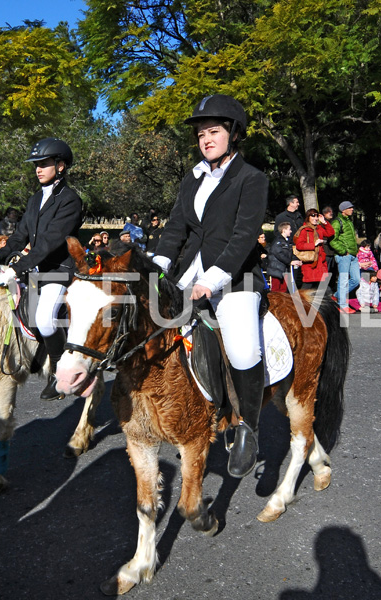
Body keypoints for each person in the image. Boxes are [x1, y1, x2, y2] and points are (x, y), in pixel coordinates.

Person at [152, 94, 268, 478]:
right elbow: (175, 229)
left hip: (235, 278)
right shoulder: (192, 178)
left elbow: (244, 236)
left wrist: (212, 280)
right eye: (201, 134)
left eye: (213, 131)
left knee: (239, 347)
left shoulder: (252, 179)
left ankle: (248, 427)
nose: (205, 139)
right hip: (189, 273)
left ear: (234, 134)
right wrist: (157, 266)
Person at [0, 137, 83, 400]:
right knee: (16, 312)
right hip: (35, 270)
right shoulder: (35, 199)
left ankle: (57, 372)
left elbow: (48, 242)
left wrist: (18, 267)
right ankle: (35, 354)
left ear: (61, 166)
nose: (38, 169)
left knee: (44, 318)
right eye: (36, 165)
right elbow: (21, 236)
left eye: (44, 164)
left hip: (58, 270)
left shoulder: (70, 200)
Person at [329, 201, 360, 313]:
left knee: (356, 279)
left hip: (352, 255)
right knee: (343, 280)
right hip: (344, 256)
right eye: (349, 208)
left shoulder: (349, 221)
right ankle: (342, 305)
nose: (352, 209)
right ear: (343, 210)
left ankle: (337, 295)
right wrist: (343, 251)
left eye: (352, 207)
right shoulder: (337, 222)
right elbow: (332, 240)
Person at [294, 209, 334, 291]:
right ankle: (299, 303)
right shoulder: (304, 230)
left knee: (323, 288)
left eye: (317, 216)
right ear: (308, 217)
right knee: (308, 286)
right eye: (313, 216)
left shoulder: (319, 228)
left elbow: (330, 233)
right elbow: (299, 245)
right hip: (310, 263)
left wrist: (324, 222)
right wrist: (314, 244)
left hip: (320, 262)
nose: (315, 218)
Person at [267, 221, 301, 292]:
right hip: (277, 270)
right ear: (284, 230)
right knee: (276, 290)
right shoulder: (278, 242)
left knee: (283, 290)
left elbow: (290, 254)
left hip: (284, 270)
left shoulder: (287, 242)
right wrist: (290, 262)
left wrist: (297, 260)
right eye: (289, 229)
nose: (291, 231)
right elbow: (279, 253)